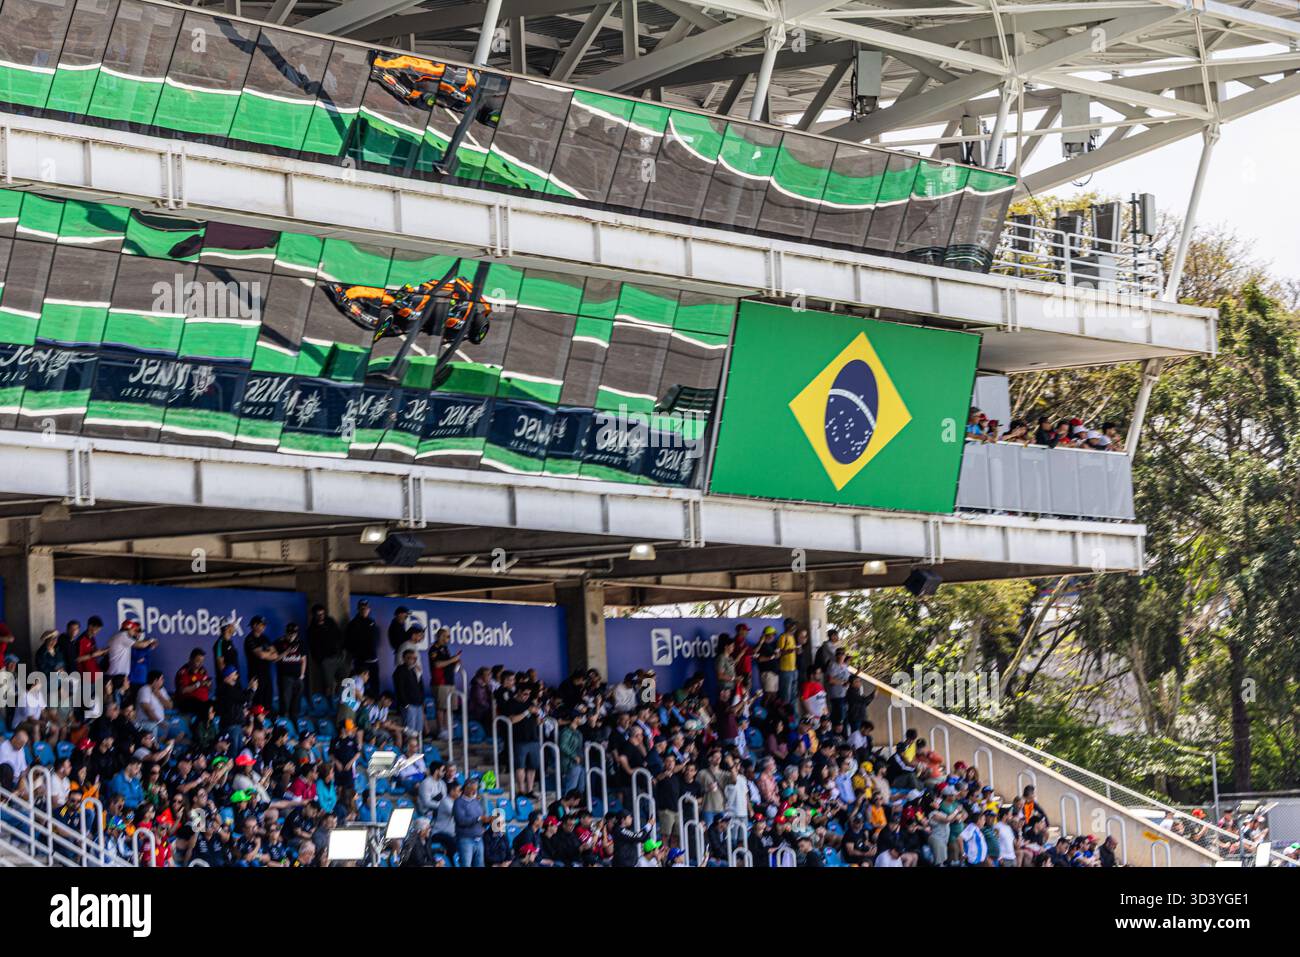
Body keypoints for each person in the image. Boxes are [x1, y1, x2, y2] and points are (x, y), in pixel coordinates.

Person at [306, 604, 347, 699]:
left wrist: (341, 650)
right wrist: (320, 660)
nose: (321, 616)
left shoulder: (330, 622)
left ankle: (340, 700)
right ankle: (329, 706)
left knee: (345, 680)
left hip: (338, 657)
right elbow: (312, 648)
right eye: (318, 614)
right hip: (326, 661)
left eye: (322, 614)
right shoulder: (312, 630)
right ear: (314, 616)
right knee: (328, 685)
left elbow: (339, 635)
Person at [453, 776, 491, 867]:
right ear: (466, 788)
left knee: (480, 865)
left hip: (479, 838)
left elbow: (481, 820)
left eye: (476, 789)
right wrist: (479, 818)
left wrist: (488, 821)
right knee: (466, 865)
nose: (475, 791)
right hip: (465, 839)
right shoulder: (458, 802)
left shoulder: (476, 802)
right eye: (473, 789)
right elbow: (461, 821)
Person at [346, 600, 381, 697]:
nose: (364, 610)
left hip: (373, 659)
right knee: (359, 684)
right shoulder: (353, 624)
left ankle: (374, 705)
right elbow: (349, 643)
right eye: (362, 608)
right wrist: (357, 654)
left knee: (375, 683)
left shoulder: (372, 622)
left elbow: (376, 639)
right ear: (358, 609)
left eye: (366, 608)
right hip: (361, 661)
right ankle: (361, 706)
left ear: (369, 609)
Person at [243, 617, 278, 711]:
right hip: (255, 676)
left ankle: (267, 724)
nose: (264, 627)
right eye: (261, 624)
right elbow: (261, 655)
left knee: (268, 702)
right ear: (254, 625)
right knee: (258, 703)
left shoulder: (265, 638)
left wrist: (266, 654)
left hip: (266, 674)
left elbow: (276, 655)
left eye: (264, 625)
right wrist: (268, 653)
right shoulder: (249, 639)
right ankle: (257, 724)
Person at [275, 623, 308, 724]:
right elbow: (275, 659)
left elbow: (304, 660)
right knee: (285, 702)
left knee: (296, 702)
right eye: (290, 633)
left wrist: (302, 675)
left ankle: (294, 721)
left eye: (293, 633)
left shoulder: (300, 643)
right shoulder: (279, 642)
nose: (291, 635)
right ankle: (284, 722)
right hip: (285, 677)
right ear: (286, 632)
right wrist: (287, 651)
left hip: (297, 677)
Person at [393, 649, 425, 737]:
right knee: (410, 730)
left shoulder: (415, 670)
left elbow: (420, 687)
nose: (412, 660)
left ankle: (418, 748)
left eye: (414, 658)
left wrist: (422, 701)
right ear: (404, 659)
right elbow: (400, 689)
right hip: (409, 705)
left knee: (418, 730)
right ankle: (408, 748)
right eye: (409, 658)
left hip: (418, 704)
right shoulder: (400, 671)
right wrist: (405, 704)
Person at [174, 648, 212, 717]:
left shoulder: (203, 670)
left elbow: (208, 687)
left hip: (203, 701)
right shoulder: (184, 672)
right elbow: (183, 690)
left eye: (202, 661)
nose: (200, 663)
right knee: (204, 708)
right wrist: (198, 684)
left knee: (217, 706)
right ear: (191, 659)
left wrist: (208, 685)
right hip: (187, 701)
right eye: (198, 661)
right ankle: (198, 726)